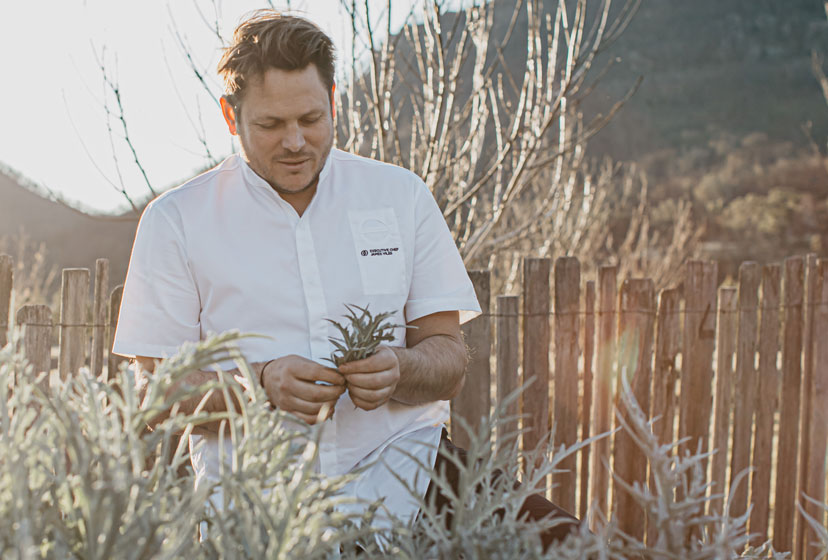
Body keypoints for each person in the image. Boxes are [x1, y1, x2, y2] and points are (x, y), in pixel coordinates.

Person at [111, 10, 578, 546]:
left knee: (575, 547)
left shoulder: (400, 195)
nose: (295, 141)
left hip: (414, 477)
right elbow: (156, 392)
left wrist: (400, 368)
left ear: (333, 101)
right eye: (271, 125)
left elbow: (448, 357)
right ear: (230, 116)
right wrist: (259, 386)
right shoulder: (176, 220)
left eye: (311, 119)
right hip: (259, 511)